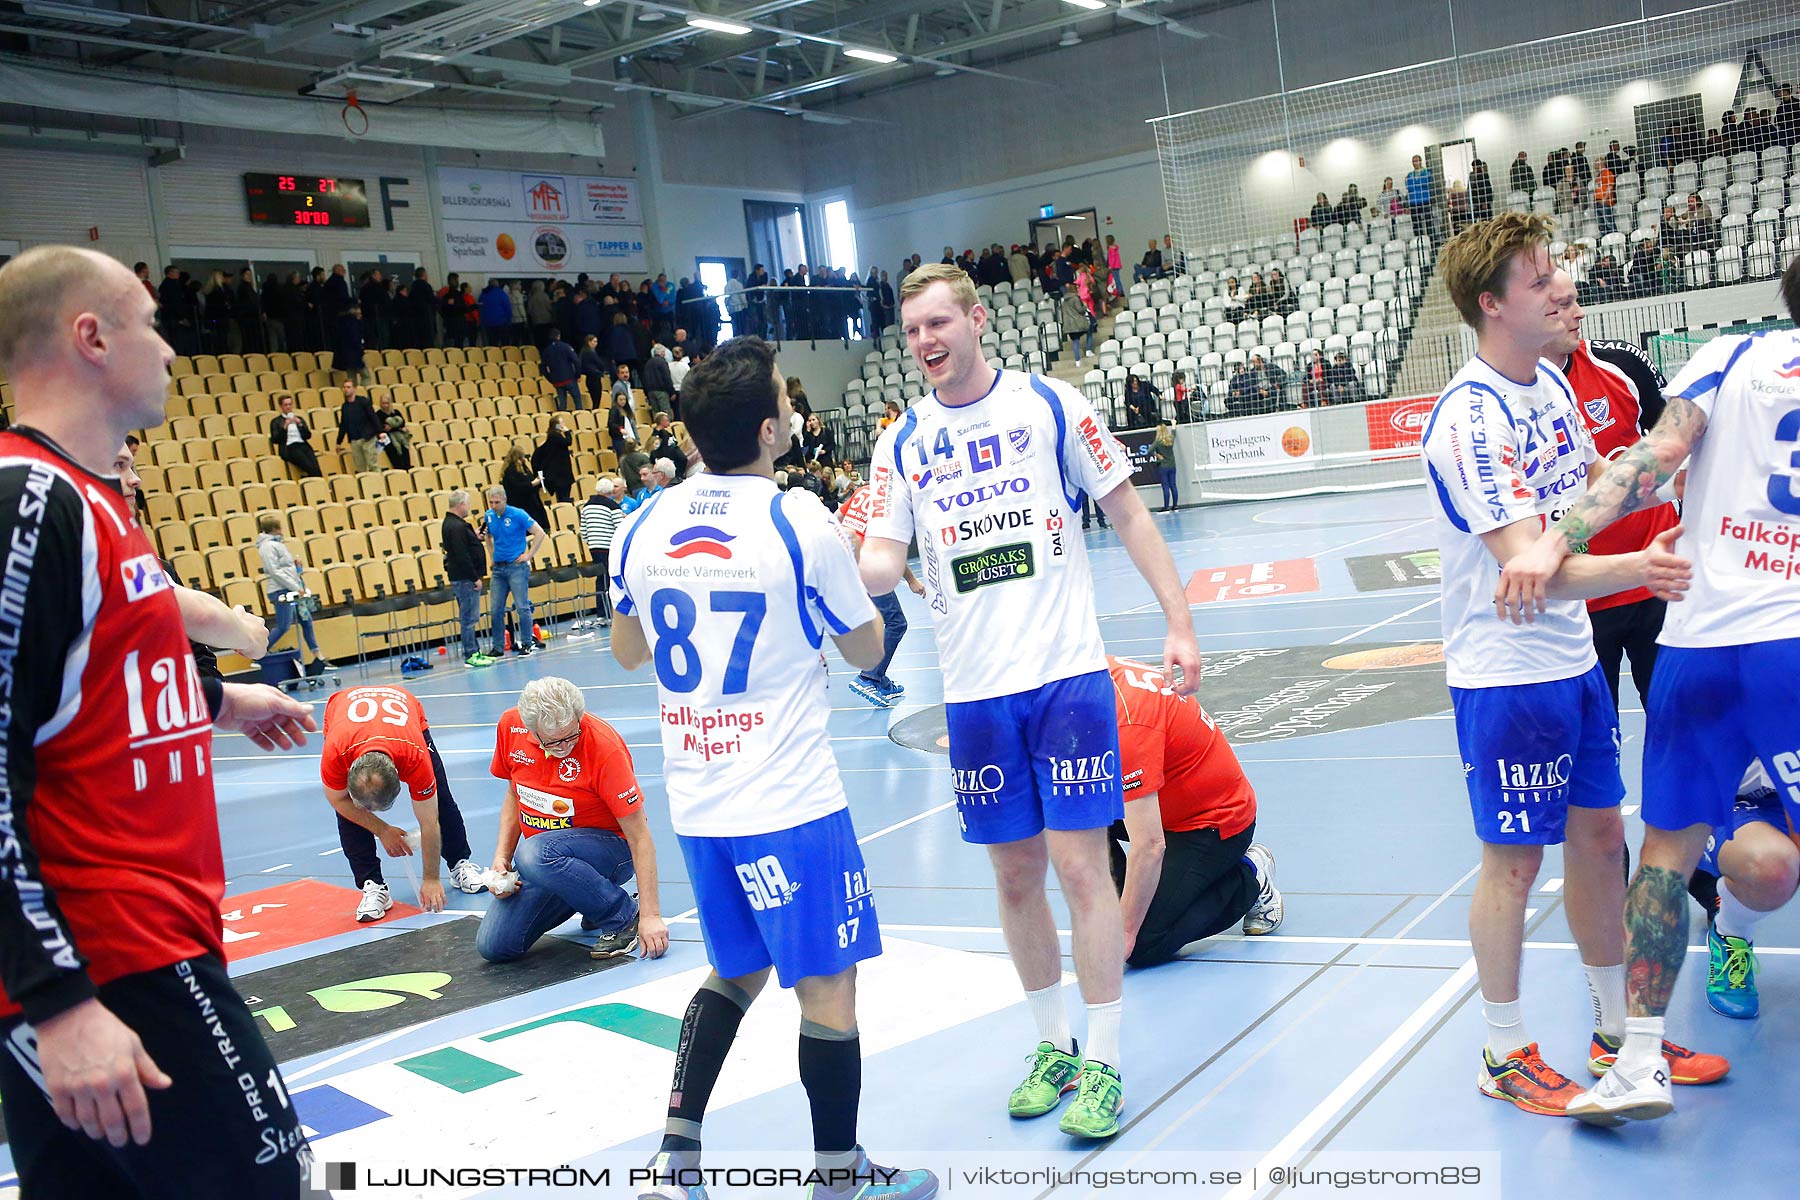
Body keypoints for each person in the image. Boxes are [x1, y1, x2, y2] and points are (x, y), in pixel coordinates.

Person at [0, 245, 322, 1199]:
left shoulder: (99, 501)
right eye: (149, 322)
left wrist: (219, 702)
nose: (173, 349)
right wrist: (60, 1004)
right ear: (90, 338)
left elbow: (89, 681)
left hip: (131, 946)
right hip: (114, 957)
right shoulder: (31, 501)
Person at [860, 264, 1200, 1140]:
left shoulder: (1050, 405)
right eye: (912, 333)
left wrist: (1178, 619)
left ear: (977, 320)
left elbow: (1126, 511)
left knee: (1085, 870)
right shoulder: (901, 443)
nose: (927, 342)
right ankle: (1052, 1046)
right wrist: (829, 547)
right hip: (974, 697)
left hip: (1065, 679)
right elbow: (882, 570)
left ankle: (1105, 1061)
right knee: (1015, 876)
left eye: (940, 323)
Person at [612, 336, 934, 1200]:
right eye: (787, 406)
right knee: (828, 985)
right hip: (787, 799)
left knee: (738, 968)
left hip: (699, 801)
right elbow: (867, 647)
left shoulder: (643, 521)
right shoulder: (798, 518)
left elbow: (628, 650)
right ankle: (840, 1176)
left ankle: (675, 1159)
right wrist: (864, 561)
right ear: (768, 428)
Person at [1422, 214, 1725, 1120]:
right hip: (1505, 675)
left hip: (1571, 664)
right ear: (1491, 305)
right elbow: (1533, 572)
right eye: (1539, 278)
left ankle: (1613, 1033)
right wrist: (1644, 570)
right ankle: (1505, 1050)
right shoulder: (1468, 422)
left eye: (1558, 270)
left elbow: (1596, 497)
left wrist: (1672, 493)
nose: (1563, 288)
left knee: (1601, 841)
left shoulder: (1550, 384)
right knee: (1512, 864)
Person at [1495, 254, 1800, 1124]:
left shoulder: (1730, 357)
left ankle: (1633, 1062)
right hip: (1790, 643)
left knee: (1665, 851)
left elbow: (1649, 457)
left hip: (1699, 638)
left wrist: (1558, 540)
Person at [477, 677, 667, 964]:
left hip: (609, 852)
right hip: (548, 863)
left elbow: (640, 837)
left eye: (570, 736)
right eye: (552, 742)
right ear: (531, 729)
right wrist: (500, 860)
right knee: (495, 946)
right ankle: (589, 900)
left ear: (578, 717)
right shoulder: (509, 726)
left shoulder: (604, 748)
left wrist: (652, 916)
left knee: (534, 853)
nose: (564, 747)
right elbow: (515, 794)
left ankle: (622, 915)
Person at [1105, 656, 1280, 967]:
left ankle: (1251, 876)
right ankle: (1125, 903)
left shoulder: (1126, 719)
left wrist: (1125, 930)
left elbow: (1149, 845)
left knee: (1144, 943)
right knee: (1066, 812)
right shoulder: (1085, 676)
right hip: (1158, 806)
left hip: (1213, 821)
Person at [1557, 335, 1678, 711]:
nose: (1576, 313)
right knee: (1596, 733)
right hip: (1582, 595)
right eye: (1560, 304)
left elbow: (1673, 442)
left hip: (1655, 581)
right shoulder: (1527, 394)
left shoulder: (1619, 363)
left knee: (1677, 719)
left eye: (1575, 301)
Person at [320, 685, 485, 922]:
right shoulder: (336, 753)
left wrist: (431, 879)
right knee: (347, 814)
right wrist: (382, 829)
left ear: (400, 776)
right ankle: (373, 885)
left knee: (442, 799)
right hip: (343, 714)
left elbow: (429, 821)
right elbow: (338, 800)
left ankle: (459, 863)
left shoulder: (415, 757)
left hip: (403, 717)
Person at [837, 479, 925, 708]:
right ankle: (869, 677)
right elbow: (889, 548)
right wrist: (912, 580)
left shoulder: (862, 492)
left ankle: (881, 680)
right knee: (897, 623)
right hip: (867, 567)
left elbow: (837, 517)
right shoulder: (888, 506)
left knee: (875, 621)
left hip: (847, 565)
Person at [479, 484, 546, 658]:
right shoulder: (489, 516)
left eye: (497, 502)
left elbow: (539, 533)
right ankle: (498, 647)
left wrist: (528, 555)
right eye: (491, 502)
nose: (494, 506)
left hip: (517, 566)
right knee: (496, 609)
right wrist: (492, 555)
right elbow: (487, 535)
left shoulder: (518, 514)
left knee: (522, 607)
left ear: (505, 500)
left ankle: (526, 643)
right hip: (499, 569)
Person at [256, 514, 330, 670]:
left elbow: (285, 568)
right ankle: (258, 652)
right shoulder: (268, 546)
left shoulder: (278, 545)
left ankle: (319, 656)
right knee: (284, 625)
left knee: (306, 621)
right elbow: (274, 571)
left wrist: (296, 567)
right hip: (281, 591)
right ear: (275, 529)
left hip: (291, 589)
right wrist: (296, 588)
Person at [441, 490, 496, 667]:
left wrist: (475, 536)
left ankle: (474, 651)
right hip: (465, 578)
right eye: (468, 504)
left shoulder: (454, 524)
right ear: (461, 505)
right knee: (469, 618)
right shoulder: (456, 526)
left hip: (463, 577)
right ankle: (471, 653)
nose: (469, 508)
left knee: (470, 617)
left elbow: (464, 545)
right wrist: (474, 578)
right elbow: (461, 554)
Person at [579, 477, 623, 627]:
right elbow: (620, 528)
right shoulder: (612, 506)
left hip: (594, 547)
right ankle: (612, 612)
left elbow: (583, 532)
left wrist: (592, 541)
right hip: (609, 546)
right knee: (611, 579)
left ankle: (602, 613)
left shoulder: (586, 507)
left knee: (601, 579)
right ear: (610, 492)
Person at [267, 393, 321, 477]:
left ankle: (317, 480)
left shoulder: (299, 419)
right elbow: (275, 439)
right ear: (281, 406)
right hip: (289, 447)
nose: (288, 407)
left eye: (290, 404)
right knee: (309, 466)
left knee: (315, 465)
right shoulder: (276, 421)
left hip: (303, 445)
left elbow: (308, 435)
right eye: (285, 405)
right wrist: (285, 427)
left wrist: (300, 425)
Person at [334, 378, 381, 472]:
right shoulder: (345, 406)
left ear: (354, 388)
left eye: (348, 387)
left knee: (372, 465)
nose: (346, 389)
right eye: (344, 387)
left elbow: (373, 417)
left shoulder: (363, 402)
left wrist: (380, 432)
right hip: (354, 440)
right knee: (360, 468)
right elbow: (343, 424)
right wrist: (339, 442)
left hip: (368, 438)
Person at [502, 444, 552, 531]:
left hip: (532, 503)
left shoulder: (523, 467)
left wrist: (536, 481)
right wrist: (533, 484)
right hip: (522, 505)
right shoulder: (511, 471)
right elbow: (518, 488)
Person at [534, 416, 576, 503]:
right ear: (557, 426)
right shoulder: (555, 436)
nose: (564, 424)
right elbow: (568, 442)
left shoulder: (554, 437)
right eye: (562, 423)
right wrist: (567, 432)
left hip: (562, 474)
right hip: (561, 475)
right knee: (564, 498)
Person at [541, 330, 582, 412]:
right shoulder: (566, 347)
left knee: (562, 406)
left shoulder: (546, 351)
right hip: (570, 378)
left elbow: (543, 368)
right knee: (578, 403)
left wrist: (551, 379)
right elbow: (576, 361)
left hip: (557, 381)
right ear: (559, 336)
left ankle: (562, 422)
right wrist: (577, 375)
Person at [376, 391, 412, 470]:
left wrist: (392, 427)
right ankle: (398, 466)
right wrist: (395, 427)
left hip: (398, 434)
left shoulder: (396, 412)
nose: (385, 405)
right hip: (385, 435)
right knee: (390, 445)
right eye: (383, 403)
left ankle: (407, 465)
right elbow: (380, 426)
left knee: (403, 443)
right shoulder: (378, 414)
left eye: (387, 403)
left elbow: (402, 423)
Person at [641, 343, 675, 418]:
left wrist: (646, 393)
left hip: (650, 392)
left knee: (656, 414)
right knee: (665, 413)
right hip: (661, 391)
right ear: (662, 352)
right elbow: (666, 377)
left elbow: (644, 379)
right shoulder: (662, 362)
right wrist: (671, 391)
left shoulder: (647, 363)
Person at [1152, 423, 1177, 513]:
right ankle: (1175, 505)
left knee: (1165, 486)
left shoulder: (1158, 442)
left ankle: (1166, 506)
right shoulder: (1170, 440)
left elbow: (1149, 451)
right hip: (1172, 465)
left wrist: (1157, 454)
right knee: (1173, 485)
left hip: (1163, 466)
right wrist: (1173, 425)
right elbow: (1174, 433)